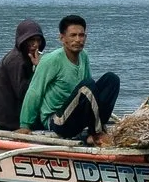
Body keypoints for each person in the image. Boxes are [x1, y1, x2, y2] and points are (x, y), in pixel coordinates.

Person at [20, 13, 120, 142]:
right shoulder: (51, 60)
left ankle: (96, 127)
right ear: (62, 38)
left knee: (111, 79)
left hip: (76, 117)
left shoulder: (83, 56)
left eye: (81, 35)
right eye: (73, 35)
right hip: (57, 121)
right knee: (87, 85)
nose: (78, 39)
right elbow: (34, 92)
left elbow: (91, 93)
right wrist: (25, 125)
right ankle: (96, 133)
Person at [0, 18, 46, 130]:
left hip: (7, 114)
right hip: (5, 119)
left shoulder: (25, 57)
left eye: (38, 40)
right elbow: (23, 92)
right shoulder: (16, 60)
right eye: (31, 40)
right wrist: (38, 68)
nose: (35, 45)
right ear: (22, 40)